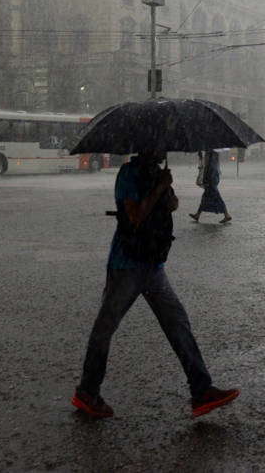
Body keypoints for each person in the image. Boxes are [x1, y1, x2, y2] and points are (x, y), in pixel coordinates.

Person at [73, 149, 240, 419]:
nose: (163, 151)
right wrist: (159, 186)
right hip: (127, 265)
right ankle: (88, 392)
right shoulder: (128, 174)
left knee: (178, 324)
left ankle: (201, 389)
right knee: (105, 327)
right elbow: (135, 217)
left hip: (153, 265)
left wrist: (167, 188)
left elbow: (172, 206)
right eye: (158, 146)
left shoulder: (155, 173)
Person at [189, 150, 232, 224]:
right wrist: (201, 157)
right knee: (205, 198)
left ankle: (227, 214)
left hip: (211, 180)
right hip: (211, 179)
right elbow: (207, 166)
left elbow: (211, 167)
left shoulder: (211, 154)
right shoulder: (211, 153)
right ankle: (197, 215)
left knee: (216, 198)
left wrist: (208, 180)